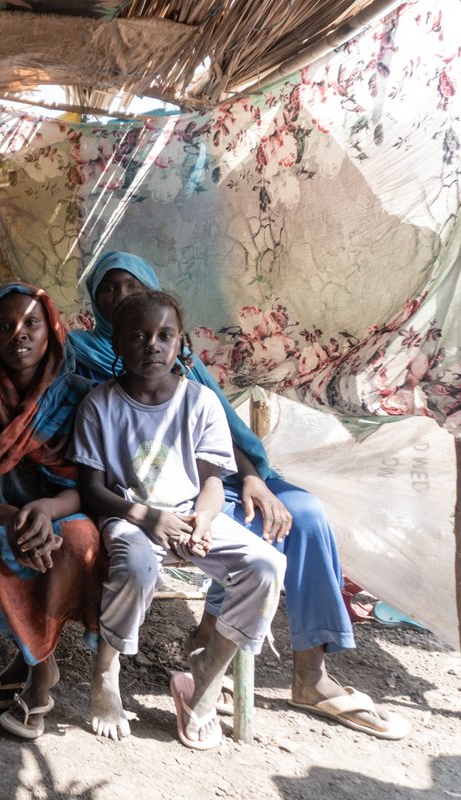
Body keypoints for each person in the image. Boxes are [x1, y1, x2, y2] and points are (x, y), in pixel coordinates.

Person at [69, 251, 410, 740]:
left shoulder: (190, 377)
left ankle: (302, 673)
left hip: (207, 486)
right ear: (103, 311)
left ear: (178, 336)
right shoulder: (82, 357)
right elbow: (93, 474)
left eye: (132, 286)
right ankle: (178, 651)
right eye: (110, 289)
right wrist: (153, 515)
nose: (124, 297)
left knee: (304, 516)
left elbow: (223, 439)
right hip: (139, 499)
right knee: (152, 556)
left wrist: (250, 478)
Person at [72, 289, 286, 749]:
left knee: (266, 567)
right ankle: (107, 669)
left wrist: (205, 520)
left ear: (180, 343)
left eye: (164, 335)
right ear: (117, 344)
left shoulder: (201, 402)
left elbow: (212, 482)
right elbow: (92, 490)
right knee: (136, 566)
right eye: (139, 336)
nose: (152, 345)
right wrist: (149, 518)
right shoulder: (99, 405)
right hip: (130, 514)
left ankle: (207, 673)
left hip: (193, 515)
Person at [0, 283, 104, 740]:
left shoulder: (77, 395)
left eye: (31, 323)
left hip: (63, 509)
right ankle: (43, 670)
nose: (19, 334)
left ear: (51, 331)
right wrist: (11, 518)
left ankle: (26, 661)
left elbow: (88, 487)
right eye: (4, 327)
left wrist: (46, 509)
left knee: (78, 539)